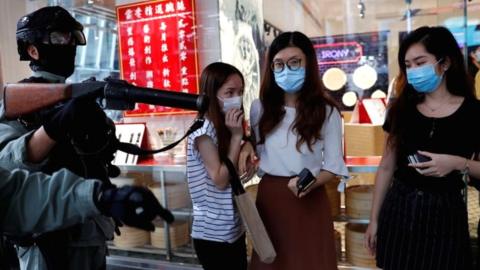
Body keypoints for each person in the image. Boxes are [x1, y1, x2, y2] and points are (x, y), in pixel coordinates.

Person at [0, 5, 116, 269]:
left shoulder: (74, 95)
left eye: (72, 37)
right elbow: (6, 162)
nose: (69, 44)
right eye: (58, 38)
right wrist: (57, 125)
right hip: (46, 238)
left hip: (89, 224)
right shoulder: (19, 100)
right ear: (32, 49)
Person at [364, 26, 480, 270]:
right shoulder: (401, 109)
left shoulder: (473, 112)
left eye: (420, 62)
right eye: (408, 65)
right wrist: (374, 220)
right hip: (400, 208)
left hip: (445, 213)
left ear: (445, 62)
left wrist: (457, 163)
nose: (413, 71)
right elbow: (386, 166)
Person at [239, 31, 348, 270]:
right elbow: (257, 147)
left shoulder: (327, 111)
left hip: (310, 195)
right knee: (271, 261)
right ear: (271, 67)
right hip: (271, 198)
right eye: (279, 64)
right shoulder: (259, 108)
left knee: (309, 261)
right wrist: (246, 142)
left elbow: (333, 166)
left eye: (294, 62)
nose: (286, 70)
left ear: (308, 64)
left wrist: (310, 183)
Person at [186, 62, 247, 270]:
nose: (236, 98)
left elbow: (230, 172)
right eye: (229, 92)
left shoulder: (223, 126)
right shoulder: (204, 129)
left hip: (231, 228)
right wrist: (237, 137)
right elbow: (220, 179)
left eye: (240, 92)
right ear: (211, 93)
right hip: (213, 233)